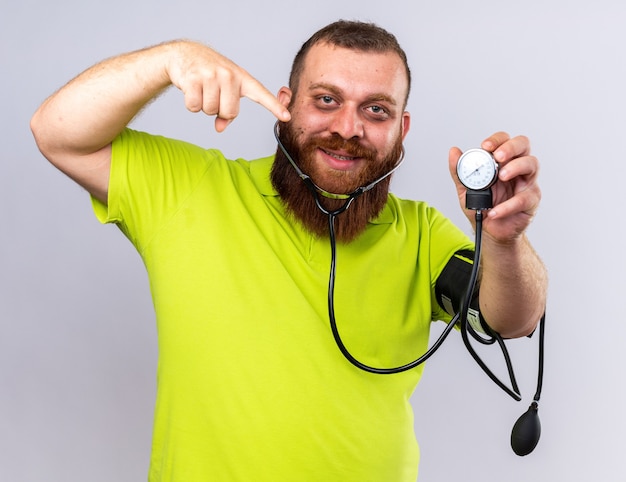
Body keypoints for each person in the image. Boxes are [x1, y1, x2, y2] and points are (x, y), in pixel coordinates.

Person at [31, 20, 547, 482]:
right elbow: (58, 133)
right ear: (286, 103)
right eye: (326, 100)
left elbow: (509, 318)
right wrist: (170, 58)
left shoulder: (422, 232)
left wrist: (504, 241)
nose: (347, 128)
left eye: (375, 109)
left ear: (400, 129)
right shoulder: (193, 188)